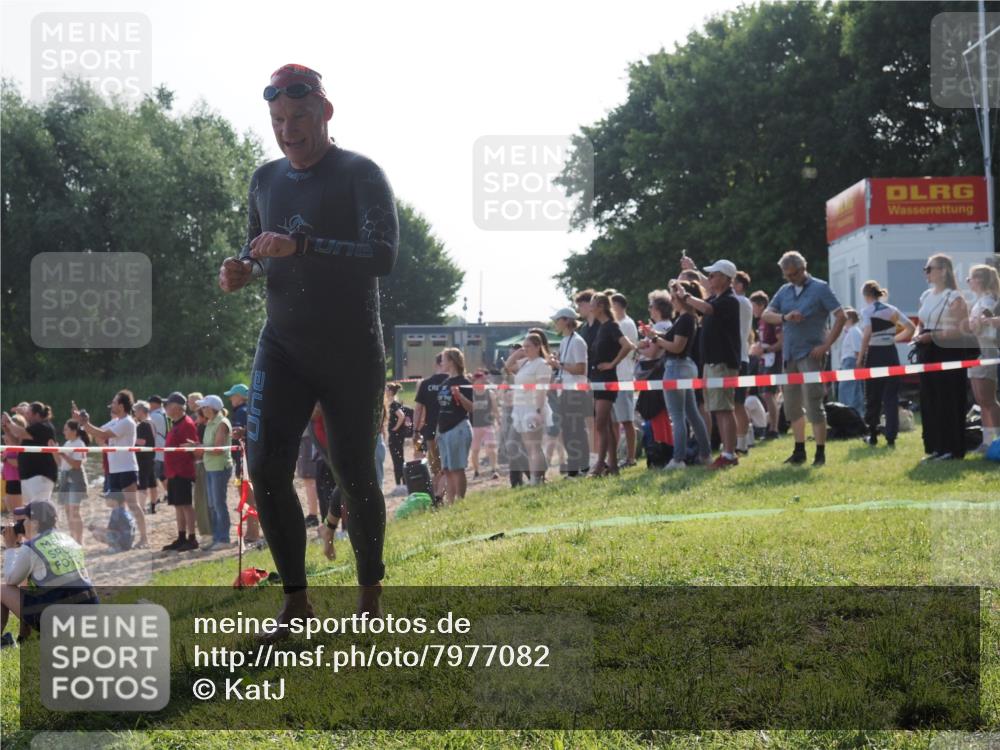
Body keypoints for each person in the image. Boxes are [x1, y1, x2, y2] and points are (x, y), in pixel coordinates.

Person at [218, 63, 399, 629]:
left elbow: (383, 256)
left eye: (299, 117)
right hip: (284, 346)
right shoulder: (263, 179)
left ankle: (370, 591)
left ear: (325, 112)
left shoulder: (360, 173)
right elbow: (256, 247)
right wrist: (242, 269)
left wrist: (302, 244)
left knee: (352, 471)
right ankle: (295, 601)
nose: (288, 130)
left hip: (351, 349)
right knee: (265, 466)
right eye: (277, 119)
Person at [762, 251, 846, 466]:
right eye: (786, 275)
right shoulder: (784, 291)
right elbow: (765, 315)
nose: (790, 278)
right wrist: (785, 317)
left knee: (813, 404)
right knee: (791, 405)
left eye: (793, 274)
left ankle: (820, 453)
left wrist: (826, 345)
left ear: (803, 268)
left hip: (811, 354)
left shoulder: (820, 288)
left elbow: (841, 316)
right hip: (789, 355)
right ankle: (799, 451)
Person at [675, 261, 742, 469]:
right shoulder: (717, 297)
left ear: (724, 277)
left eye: (713, 275)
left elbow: (706, 307)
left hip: (722, 361)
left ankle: (729, 454)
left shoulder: (729, 300)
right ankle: (726, 452)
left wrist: (685, 296)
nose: (709, 279)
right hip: (712, 362)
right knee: (718, 409)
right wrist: (694, 271)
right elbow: (707, 298)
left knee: (724, 409)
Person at [0, 500, 98, 636]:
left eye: (25, 520)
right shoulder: (69, 539)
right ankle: (24, 635)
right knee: (31, 585)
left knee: (2, 589)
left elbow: (11, 580)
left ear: (35, 523)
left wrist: (10, 548)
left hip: (61, 623)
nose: (23, 524)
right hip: (91, 616)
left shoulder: (31, 548)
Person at [646, 280, 712, 469]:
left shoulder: (685, 319)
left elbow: (677, 347)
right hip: (684, 367)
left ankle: (678, 459)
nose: (672, 300)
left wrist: (655, 339)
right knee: (692, 414)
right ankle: (705, 454)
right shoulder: (685, 319)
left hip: (677, 367)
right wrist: (654, 338)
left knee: (677, 416)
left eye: (674, 297)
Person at [914, 254, 971, 461]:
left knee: (948, 398)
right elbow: (920, 323)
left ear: (943, 271)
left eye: (930, 268)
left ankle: (952, 447)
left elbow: (960, 330)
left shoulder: (954, 297)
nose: (926, 273)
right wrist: (918, 336)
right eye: (925, 269)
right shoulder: (926, 296)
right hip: (927, 351)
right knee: (929, 399)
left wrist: (933, 336)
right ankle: (935, 447)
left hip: (948, 351)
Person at [73, 392, 149, 547]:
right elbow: (96, 433)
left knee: (133, 504)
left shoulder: (127, 422)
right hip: (114, 470)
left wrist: (85, 423)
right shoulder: (117, 421)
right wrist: (82, 422)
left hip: (127, 468)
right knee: (117, 505)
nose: (111, 405)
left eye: (114, 402)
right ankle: (122, 537)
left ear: (121, 406)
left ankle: (144, 538)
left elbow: (102, 434)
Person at [857, 281, 915, 448]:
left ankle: (873, 434)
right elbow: (911, 327)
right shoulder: (892, 310)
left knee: (873, 396)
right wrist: (893, 339)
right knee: (891, 397)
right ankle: (891, 437)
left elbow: (867, 333)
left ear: (866, 295)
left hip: (875, 354)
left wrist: (860, 357)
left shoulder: (867, 311)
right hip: (891, 353)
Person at [587, 293, 635, 477]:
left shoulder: (612, 326)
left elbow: (627, 345)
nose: (590, 308)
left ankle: (600, 464)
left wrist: (612, 363)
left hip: (607, 379)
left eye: (592, 304)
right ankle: (612, 465)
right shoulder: (601, 327)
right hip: (597, 378)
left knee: (600, 423)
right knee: (605, 424)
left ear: (600, 306)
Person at [505, 334, 554, 484]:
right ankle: (536, 477)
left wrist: (538, 411)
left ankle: (536, 479)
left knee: (534, 446)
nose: (525, 349)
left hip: (533, 408)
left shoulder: (541, 364)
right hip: (521, 408)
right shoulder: (525, 362)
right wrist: (517, 353)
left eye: (528, 347)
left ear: (538, 347)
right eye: (523, 346)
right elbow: (508, 366)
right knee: (528, 446)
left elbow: (541, 389)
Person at [550, 307, 590, 477]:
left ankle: (582, 466)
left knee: (576, 429)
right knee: (567, 429)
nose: (555, 323)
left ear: (566, 320)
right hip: (565, 390)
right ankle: (575, 467)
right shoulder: (565, 341)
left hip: (576, 391)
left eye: (557, 320)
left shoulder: (577, 341)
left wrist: (559, 365)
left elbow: (581, 369)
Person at [967, 264, 1000, 451]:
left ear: (980, 280)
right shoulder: (980, 301)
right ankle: (987, 442)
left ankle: (997, 439)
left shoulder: (989, 301)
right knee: (981, 400)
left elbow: (977, 326)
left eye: (970, 278)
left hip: (986, 349)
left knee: (988, 399)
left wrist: (971, 323)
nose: (969, 282)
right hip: (976, 350)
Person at [161, 392, 200, 552]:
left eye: (168, 405)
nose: (166, 408)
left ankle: (191, 538)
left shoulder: (187, 424)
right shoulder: (175, 423)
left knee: (186, 505)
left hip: (183, 471)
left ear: (177, 408)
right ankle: (181, 536)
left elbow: (193, 449)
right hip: (173, 472)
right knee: (178, 506)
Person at [435, 348, 474, 502]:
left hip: (458, 428)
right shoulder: (445, 382)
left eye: (443, 359)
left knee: (457, 468)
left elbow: (471, 407)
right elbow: (443, 407)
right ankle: (451, 502)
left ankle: (460, 500)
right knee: (447, 470)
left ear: (451, 361)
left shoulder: (464, 383)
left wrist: (460, 396)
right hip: (444, 431)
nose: (441, 363)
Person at [196, 395, 234, 550]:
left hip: (219, 467)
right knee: (212, 504)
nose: (202, 409)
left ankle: (223, 539)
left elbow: (218, 449)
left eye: (204, 407)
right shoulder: (211, 422)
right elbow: (210, 446)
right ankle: (217, 537)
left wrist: (198, 448)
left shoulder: (222, 423)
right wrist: (197, 446)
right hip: (211, 467)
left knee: (218, 504)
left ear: (211, 408)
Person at [1, 403, 58, 502]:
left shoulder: (43, 426)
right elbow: (17, 446)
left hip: (40, 476)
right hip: (30, 476)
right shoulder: (33, 429)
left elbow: (19, 432)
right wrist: (6, 429)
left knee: (39, 508)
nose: (25, 416)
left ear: (36, 415)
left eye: (28, 413)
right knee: (32, 510)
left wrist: (9, 422)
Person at [414, 354, 449, 503]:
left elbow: (418, 409)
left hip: (430, 431)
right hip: (449, 428)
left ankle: (437, 496)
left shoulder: (425, 383)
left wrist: (415, 431)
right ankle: (441, 495)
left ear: (436, 364)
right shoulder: (453, 382)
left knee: (435, 466)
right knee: (448, 466)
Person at [610, 293, 639, 467]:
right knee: (614, 421)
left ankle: (631, 457)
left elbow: (626, 349)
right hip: (615, 376)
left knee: (626, 420)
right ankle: (614, 456)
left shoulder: (626, 324)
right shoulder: (618, 324)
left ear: (618, 306)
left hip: (624, 376)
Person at [749, 291, 782, 439]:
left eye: (754, 306)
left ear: (762, 305)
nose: (752, 310)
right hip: (764, 360)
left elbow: (782, 342)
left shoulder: (771, 319)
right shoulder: (760, 321)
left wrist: (765, 349)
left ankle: (774, 429)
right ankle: (770, 427)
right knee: (765, 394)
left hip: (773, 360)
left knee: (769, 394)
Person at [732, 271, 755, 455]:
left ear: (740, 285)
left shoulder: (741, 301)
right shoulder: (740, 302)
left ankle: (742, 443)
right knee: (736, 404)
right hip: (740, 357)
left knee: (737, 404)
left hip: (739, 358)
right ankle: (744, 440)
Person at [55, 419, 88, 544]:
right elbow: (60, 463)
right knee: (68, 511)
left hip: (75, 477)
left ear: (74, 431)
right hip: (64, 477)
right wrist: (54, 451)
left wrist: (63, 454)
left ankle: (79, 541)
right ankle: (73, 539)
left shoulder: (80, 444)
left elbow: (77, 465)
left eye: (66, 429)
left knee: (74, 510)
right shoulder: (68, 443)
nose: (63, 432)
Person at [468, 372, 500, 480]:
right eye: (479, 380)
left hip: (488, 424)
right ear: (474, 381)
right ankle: (476, 471)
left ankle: (493, 470)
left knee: (491, 448)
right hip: (474, 426)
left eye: (483, 380)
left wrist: (498, 420)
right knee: (475, 450)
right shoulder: (471, 393)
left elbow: (495, 408)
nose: (482, 382)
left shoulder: (489, 393)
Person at [836, 309, 865, 417]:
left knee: (849, 390)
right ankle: (849, 414)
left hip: (850, 362)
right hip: (847, 362)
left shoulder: (854, 331)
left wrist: (858, 365)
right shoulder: (850, 331)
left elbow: (857, 350)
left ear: (850, 319)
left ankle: (852, 415)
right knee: (847, 390)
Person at [133, 401, 159, 514]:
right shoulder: (151, 422)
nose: (134, 413)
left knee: (142, 484)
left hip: (143, 457)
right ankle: (153, 506)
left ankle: (141, 507)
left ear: (141, 411)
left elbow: (142, 442)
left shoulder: (143, 425)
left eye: (136, 411)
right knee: (152, 482)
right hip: (151, 456)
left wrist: (131, 442)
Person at [385, 383, 409, 491]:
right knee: (398, 458)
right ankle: (400, 483)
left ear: (390, 392)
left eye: (386, 390)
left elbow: (401, 416)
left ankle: (401, 484)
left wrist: (395, 428)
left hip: (396, 436)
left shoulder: (394, 404)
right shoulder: (391, 404)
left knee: (397, 459)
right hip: (395, 435)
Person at [146, 395, 168, 510]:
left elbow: (144, 424)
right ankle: (168, 494)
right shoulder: (164, 413)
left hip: (157, 448)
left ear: (154, 404)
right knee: (162, 474)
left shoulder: (154, 416)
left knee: (156, 475)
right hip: (163, 447)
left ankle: (155, 498)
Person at [2, 415, 24, 514]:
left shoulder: (20, 444)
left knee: (18, 512)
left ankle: (21, 529)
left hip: (16, 480)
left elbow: (19, 463)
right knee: (12, 513)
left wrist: (5, 459)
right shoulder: (10, 444)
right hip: (9, 480)